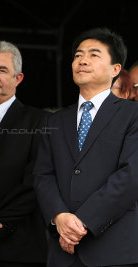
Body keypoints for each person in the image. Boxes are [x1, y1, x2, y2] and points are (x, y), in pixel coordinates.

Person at [34, 27, 138, 266]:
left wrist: (82, 223)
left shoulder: (132, 115)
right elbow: (42, 175)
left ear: (115, 69)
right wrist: (59, 216)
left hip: (114, 250)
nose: (82, 60)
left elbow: (131, 175)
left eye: (94, 54)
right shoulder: (55, 120)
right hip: (63, 252)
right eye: (78, 55)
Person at [0, 41, 48, 267]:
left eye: (2, 70)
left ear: (18, 78)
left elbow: (36, 182)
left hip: (18, 249)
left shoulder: (39, 121)